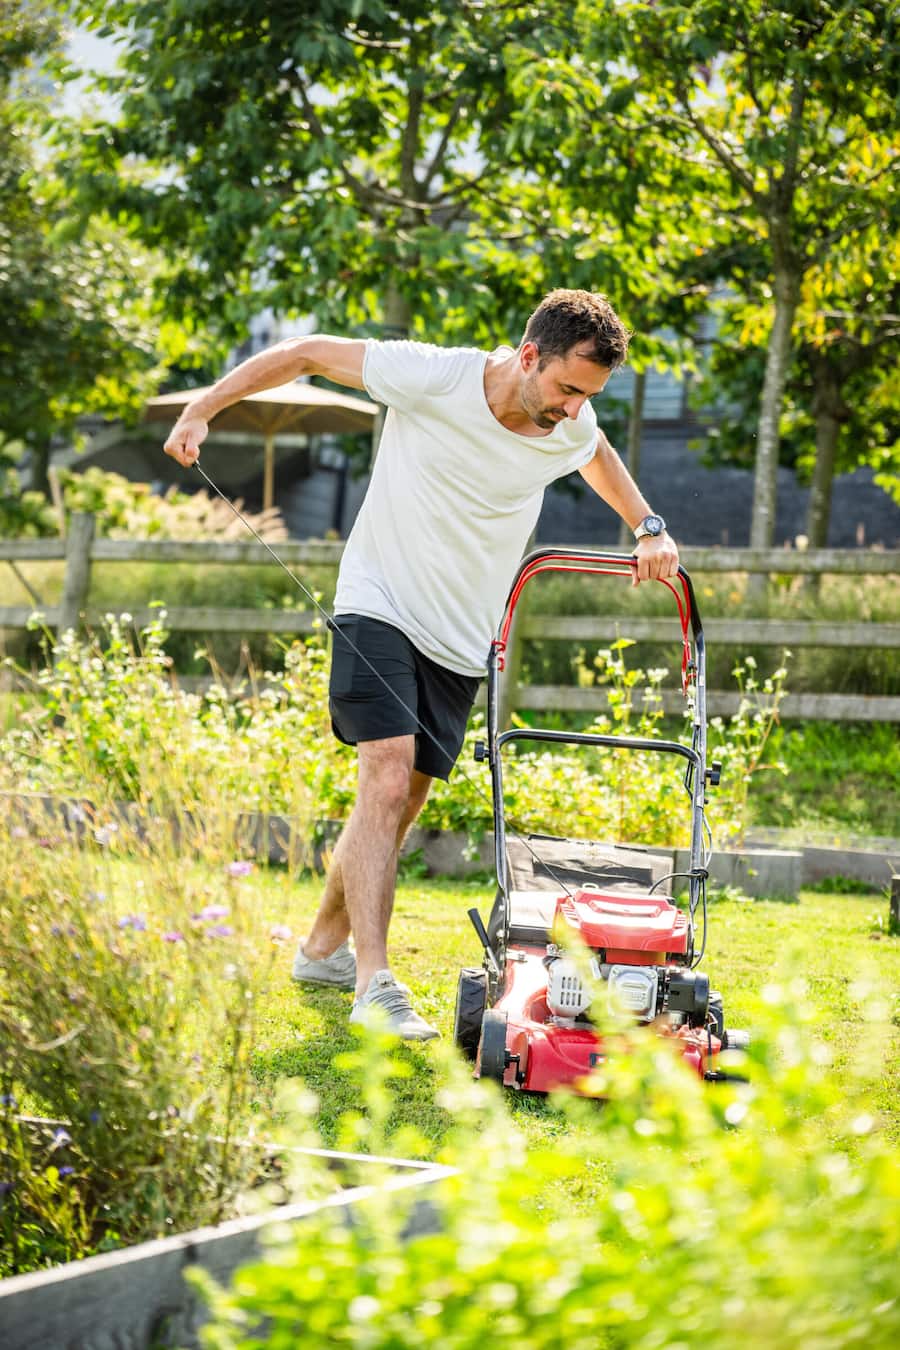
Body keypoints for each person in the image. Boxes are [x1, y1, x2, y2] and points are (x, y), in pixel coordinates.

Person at [164, 289, 679, 1040]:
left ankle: (320, 951)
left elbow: (595, 452)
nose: (575, 408)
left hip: (459, 638)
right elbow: (306, 349)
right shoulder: (434, 377)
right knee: (384, 773)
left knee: (401, 803)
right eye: (569, 388)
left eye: (589, 396)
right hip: (378, 601)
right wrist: (204, 407)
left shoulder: (571, 423)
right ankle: (375, 983)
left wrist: (648, 525)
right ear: (529, 355)